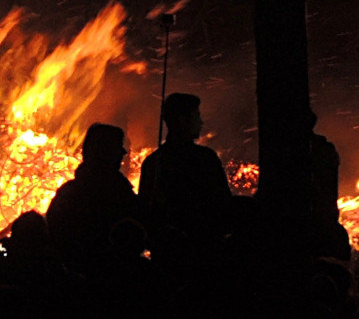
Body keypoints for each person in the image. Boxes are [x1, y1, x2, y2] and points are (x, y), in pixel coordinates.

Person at [138, 92, 233, 251]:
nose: (201, 122)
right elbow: (222, 204)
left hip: (165, 251)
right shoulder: (205, 159)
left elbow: (144, 210)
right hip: (203, 247)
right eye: (196, 116)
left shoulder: (153, 162)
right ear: (183, 120)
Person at [46, 122, 139, 271]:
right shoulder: (118, 194)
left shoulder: (68, 194)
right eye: (117, 146)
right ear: (104, 151)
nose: (123, 152)